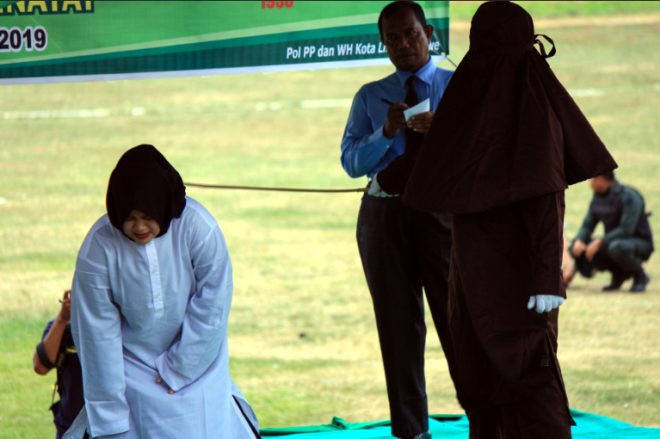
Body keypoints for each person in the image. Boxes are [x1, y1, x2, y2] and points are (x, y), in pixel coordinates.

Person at [402, 2, 618, 438]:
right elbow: (447, 164)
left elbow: (546, 200)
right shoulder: (473, 98)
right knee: (479, 380)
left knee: (528, 382)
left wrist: (544, 279)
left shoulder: (532, 108)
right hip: (469, 274)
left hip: (518, 279)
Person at [65, 145, 259, 438]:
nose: (140, 226)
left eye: (148, 215)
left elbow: (213, 306)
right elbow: (96, 336)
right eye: (130, 217)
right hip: (129, 370)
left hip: (199, 367)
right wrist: (111, 420)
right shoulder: (99, 247)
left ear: (162, 204)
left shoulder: (198, 227)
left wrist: (180, 367)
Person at [340, 2, 456, 438]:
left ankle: (486, 419)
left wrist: (444, 130)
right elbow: (351, 162)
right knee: (398, 328)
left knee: (457, 320)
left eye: (410, 34)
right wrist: (385, 133)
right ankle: (411, 431)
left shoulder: (457, 85)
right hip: (383, 216)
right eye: (392, 38)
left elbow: (483, 150)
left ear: (428, 32)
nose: (403, 45)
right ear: (383, 42)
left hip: (442, 216)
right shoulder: (371, 95)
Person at [567, 171, 653, 292]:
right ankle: (618, 276)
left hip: (639, 243)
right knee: (577, 247)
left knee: (616, 247)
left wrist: (600, 241)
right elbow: (587, 225)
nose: (590, 183)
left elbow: (626, 230)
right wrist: (579, 240)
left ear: (602, 179)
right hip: (613, 242)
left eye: (592, 179)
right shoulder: (598, 198)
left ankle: (640, 276)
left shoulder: (629, 197)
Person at [33, 289, 85, 439]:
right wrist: (62, 318)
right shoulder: (65, 327)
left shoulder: (120, 326)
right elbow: (40, 367)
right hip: (72, 426)